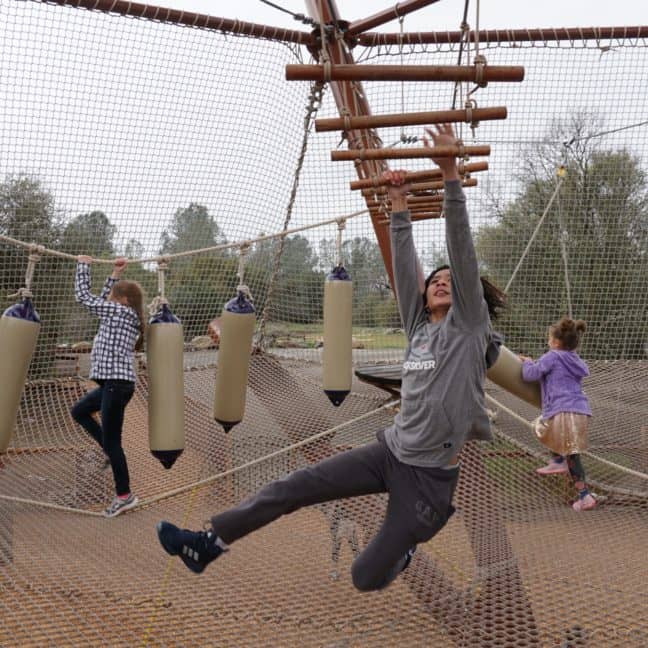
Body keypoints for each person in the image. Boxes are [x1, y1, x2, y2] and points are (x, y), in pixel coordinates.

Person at [156, 124, 506, 589]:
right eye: (434, 278)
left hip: (428, 483)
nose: (441, 280)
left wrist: (448, 175)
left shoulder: (468, 328)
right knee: (293, 486)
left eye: (450, 280)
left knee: (365, 577)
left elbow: (462, 255)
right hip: (390, 452)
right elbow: (406, 271)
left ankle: (402, 547)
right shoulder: (420, 329)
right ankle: (208, 543)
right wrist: (398, 208)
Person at [71, 255, 146, 518]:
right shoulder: (124, 312)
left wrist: (84, 265)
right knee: (79, 411)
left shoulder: (119, 312)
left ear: (123, 301)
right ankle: (109, 451)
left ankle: (124, 496)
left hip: (116, 385)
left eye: (113, 296)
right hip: (114, 384)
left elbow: (83, 297)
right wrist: (114, 274)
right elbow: (103, 301)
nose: (109, 302)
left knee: (114, 443)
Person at [520, 318, 596, 511]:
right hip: (580, 412)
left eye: (549, 339)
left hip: (562, 409)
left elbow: (530, 375)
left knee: (539, 425)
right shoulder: (575, 360)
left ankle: (556, 460)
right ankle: (584, 496)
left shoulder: (553, 356)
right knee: (573, 455)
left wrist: (528, 362)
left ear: (555, 342)